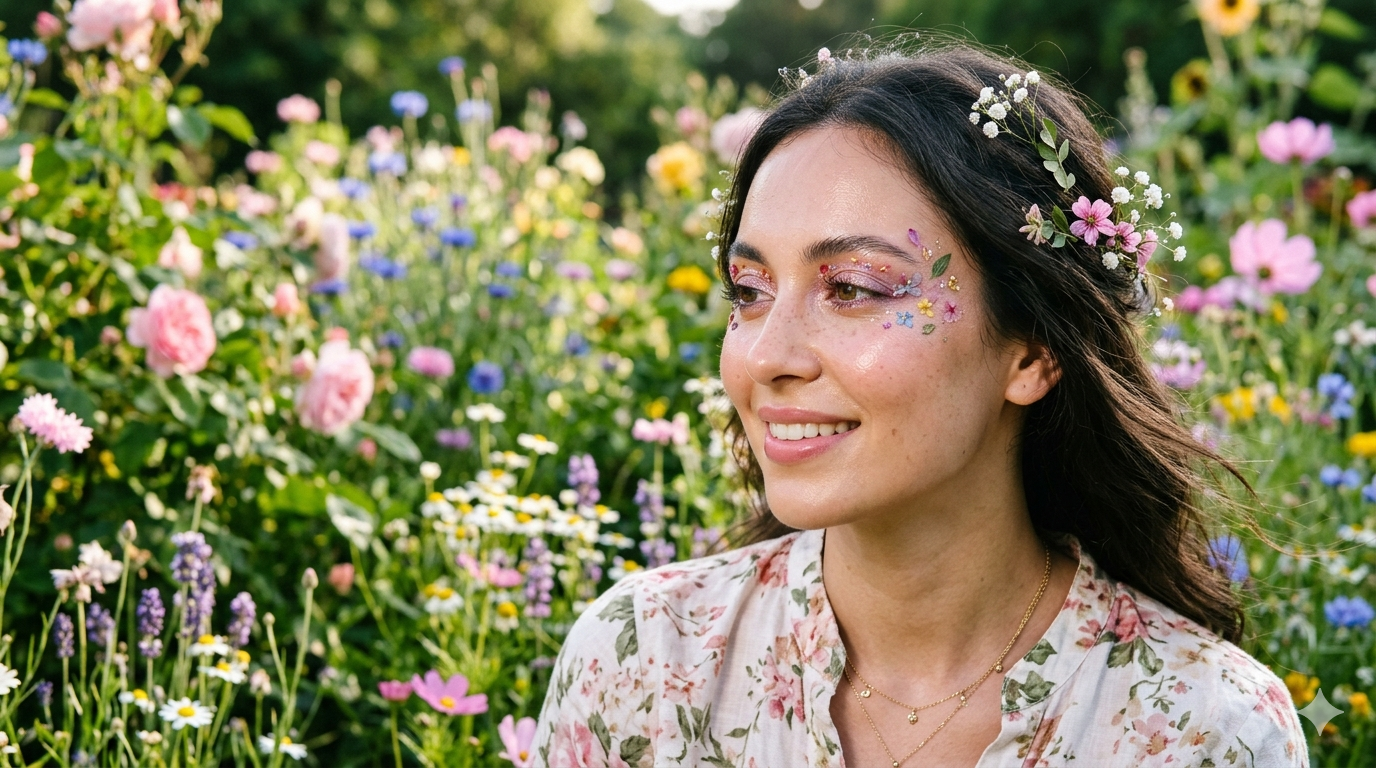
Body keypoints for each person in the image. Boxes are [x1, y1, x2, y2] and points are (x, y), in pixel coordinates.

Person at [532, 43, 1307, 767]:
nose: (768, 356)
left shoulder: (1204, 729)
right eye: (749, 290)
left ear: (1033, 350)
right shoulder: (641, 660)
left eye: (854, 289)